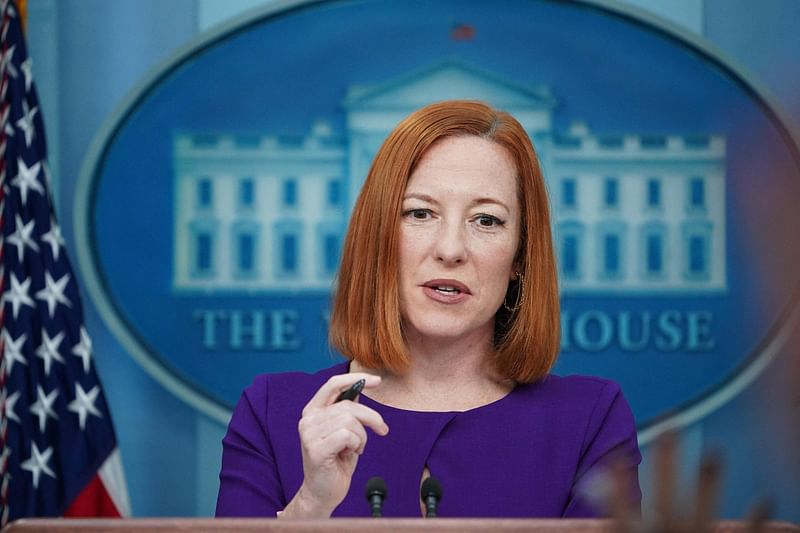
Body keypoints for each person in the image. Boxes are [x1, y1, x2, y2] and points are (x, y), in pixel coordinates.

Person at [215, 100, 642, 518]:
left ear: (519, 258)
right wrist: (311, 506)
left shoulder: (589, 420)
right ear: (378, 236)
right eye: (420, 213)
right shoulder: (273, 412)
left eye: (487, 220)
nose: (451, 249)